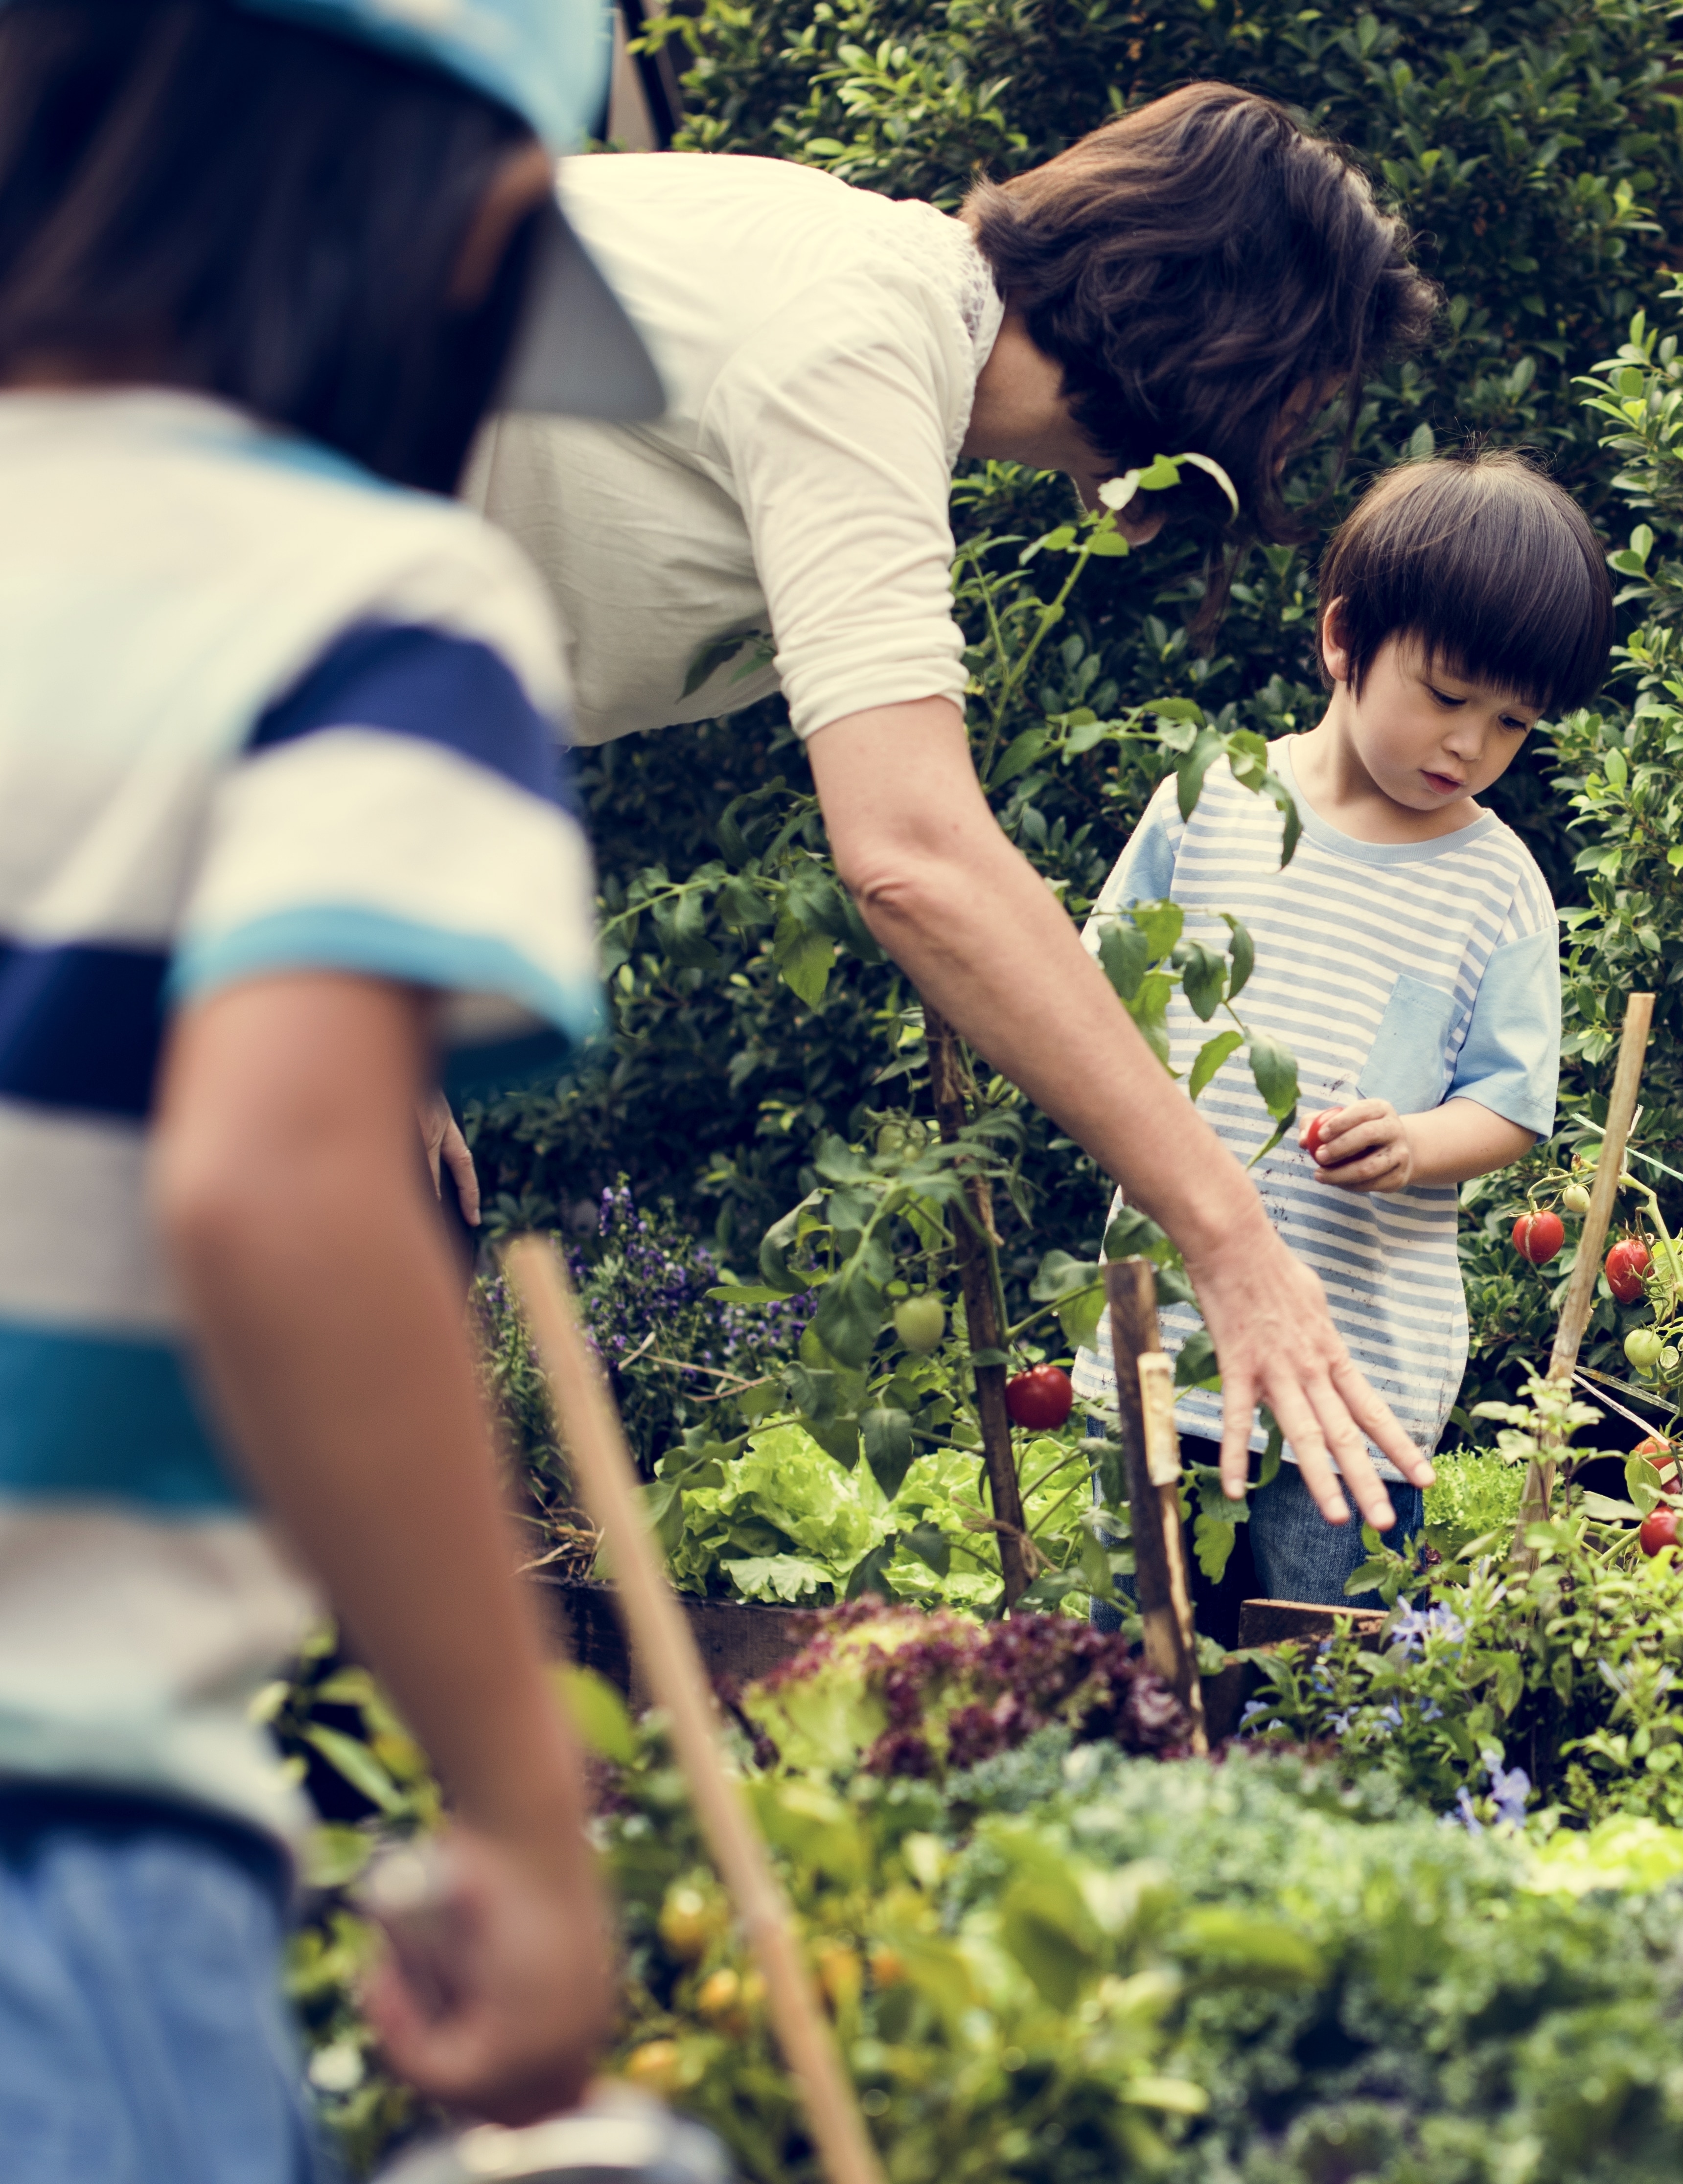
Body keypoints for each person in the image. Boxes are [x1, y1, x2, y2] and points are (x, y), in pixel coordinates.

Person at [468, 86, 1441, 1524]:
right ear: (1216, 349)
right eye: (1295, 400)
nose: (1280, 451)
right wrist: (1231, 1236)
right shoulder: (862, 334)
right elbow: (916, 854)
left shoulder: (850, 277)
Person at [0, 0, 647, 2158]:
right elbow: (275, 1192)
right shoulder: (366, 612)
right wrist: (527, 1821)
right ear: (482, 244)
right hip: (58, 1868)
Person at [1070, 452, 1604, 1608]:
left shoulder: (1498, 885)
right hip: (1166, 1336)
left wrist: (1414, 1146)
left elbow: (1509, 1106)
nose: (1469, 746)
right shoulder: (1211, 802)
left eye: (1513, 722)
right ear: (1344, 640)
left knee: (1324, 1684)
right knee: (1134, 1668)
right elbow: (1089, 999)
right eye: (1449, 696)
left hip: (1356, 1379)